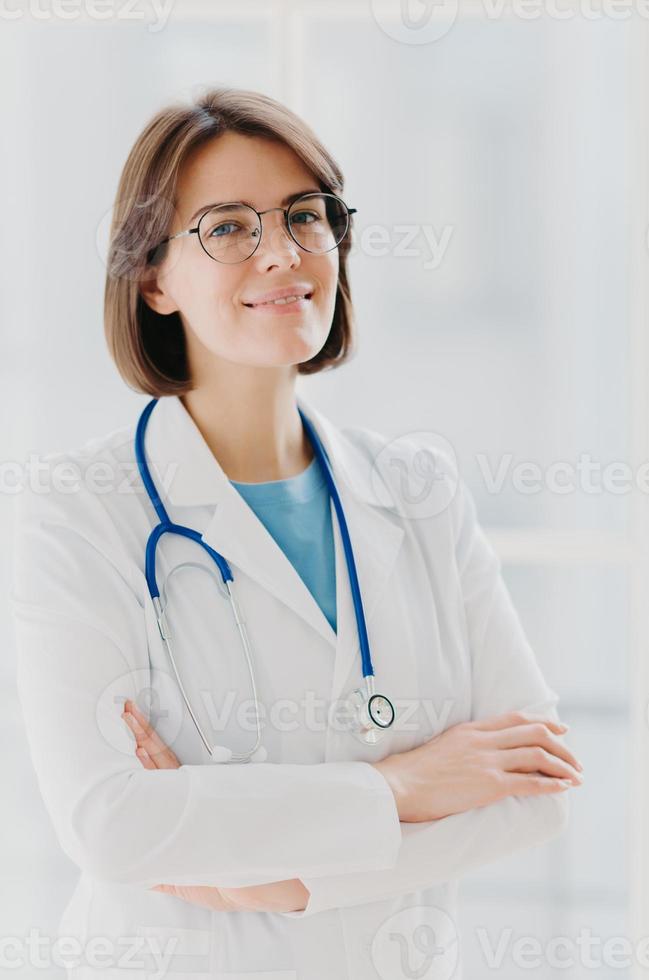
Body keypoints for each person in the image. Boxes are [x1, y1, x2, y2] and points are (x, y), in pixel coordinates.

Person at [10, 87, 583, 980]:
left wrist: (291, 882)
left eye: (304, 217)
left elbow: (536, 791)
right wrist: (401, 788)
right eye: (229, 228)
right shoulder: (76, 513)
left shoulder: (417, 491)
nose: (281, 252)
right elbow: (115, 825)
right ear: (153, 278)